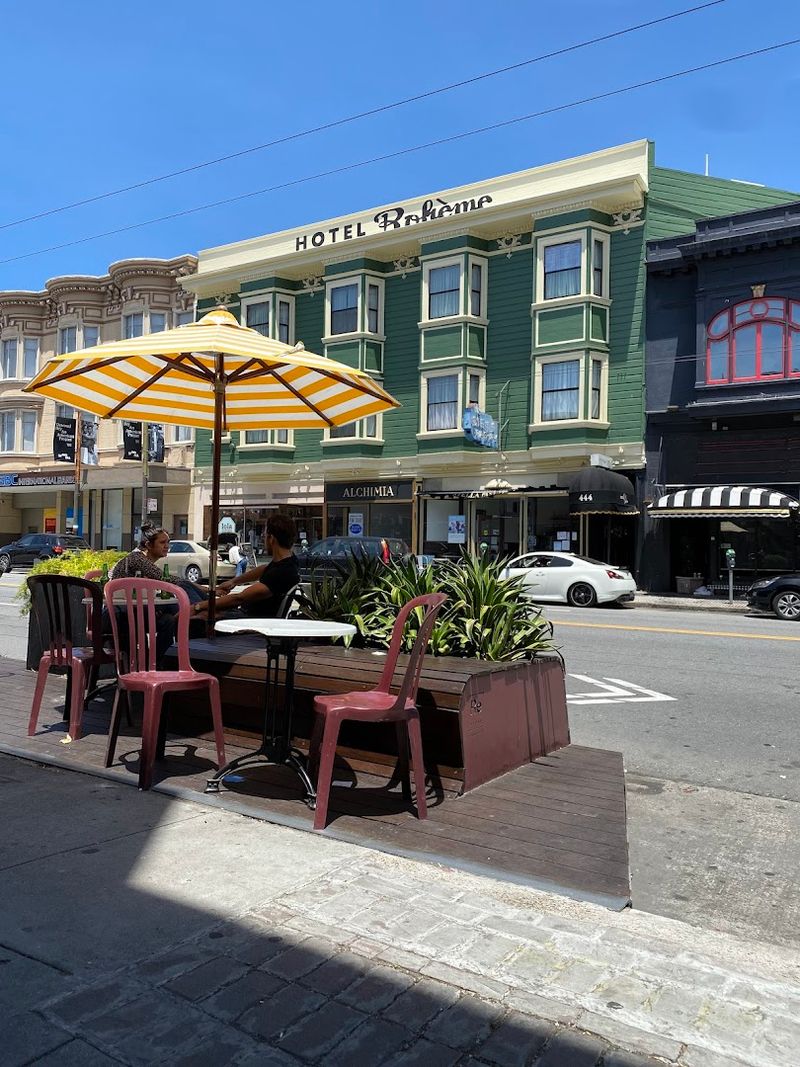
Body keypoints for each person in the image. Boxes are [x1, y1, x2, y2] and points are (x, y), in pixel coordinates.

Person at [192, 514, 299, 620]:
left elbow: (239, 598)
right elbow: (263, 569)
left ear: (271, 538)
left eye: (264, 535)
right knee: (187, 586)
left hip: (250, 620)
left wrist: (198, 606)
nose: (263, 538)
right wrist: (233, 582)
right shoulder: (288, 561)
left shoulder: (282, 572)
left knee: (200, 616)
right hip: (245, 614)